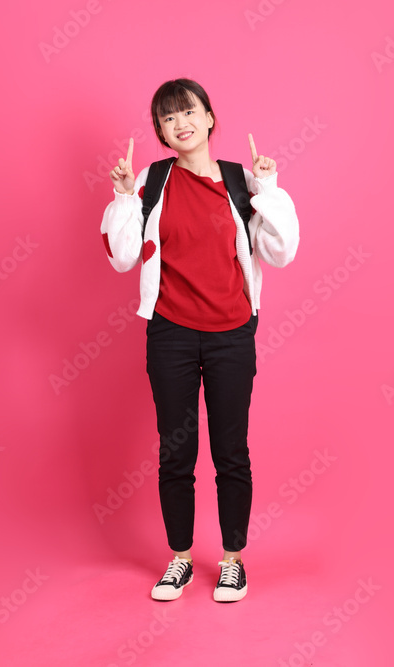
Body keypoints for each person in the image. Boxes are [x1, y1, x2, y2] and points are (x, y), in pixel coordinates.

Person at [99, 78, 299, 602]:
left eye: (188, 111)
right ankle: (180, 559)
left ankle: (233, 561)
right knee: (176, 451)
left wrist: (269, 189)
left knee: (231, 450)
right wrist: (123, 196)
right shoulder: (153, 181)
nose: (180, 123)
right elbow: (122, 257)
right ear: (161, 133)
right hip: (171, 335)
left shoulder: (239, 181)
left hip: (232, 334)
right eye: (167, 118)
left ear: (209, 117)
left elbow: (282, 252)